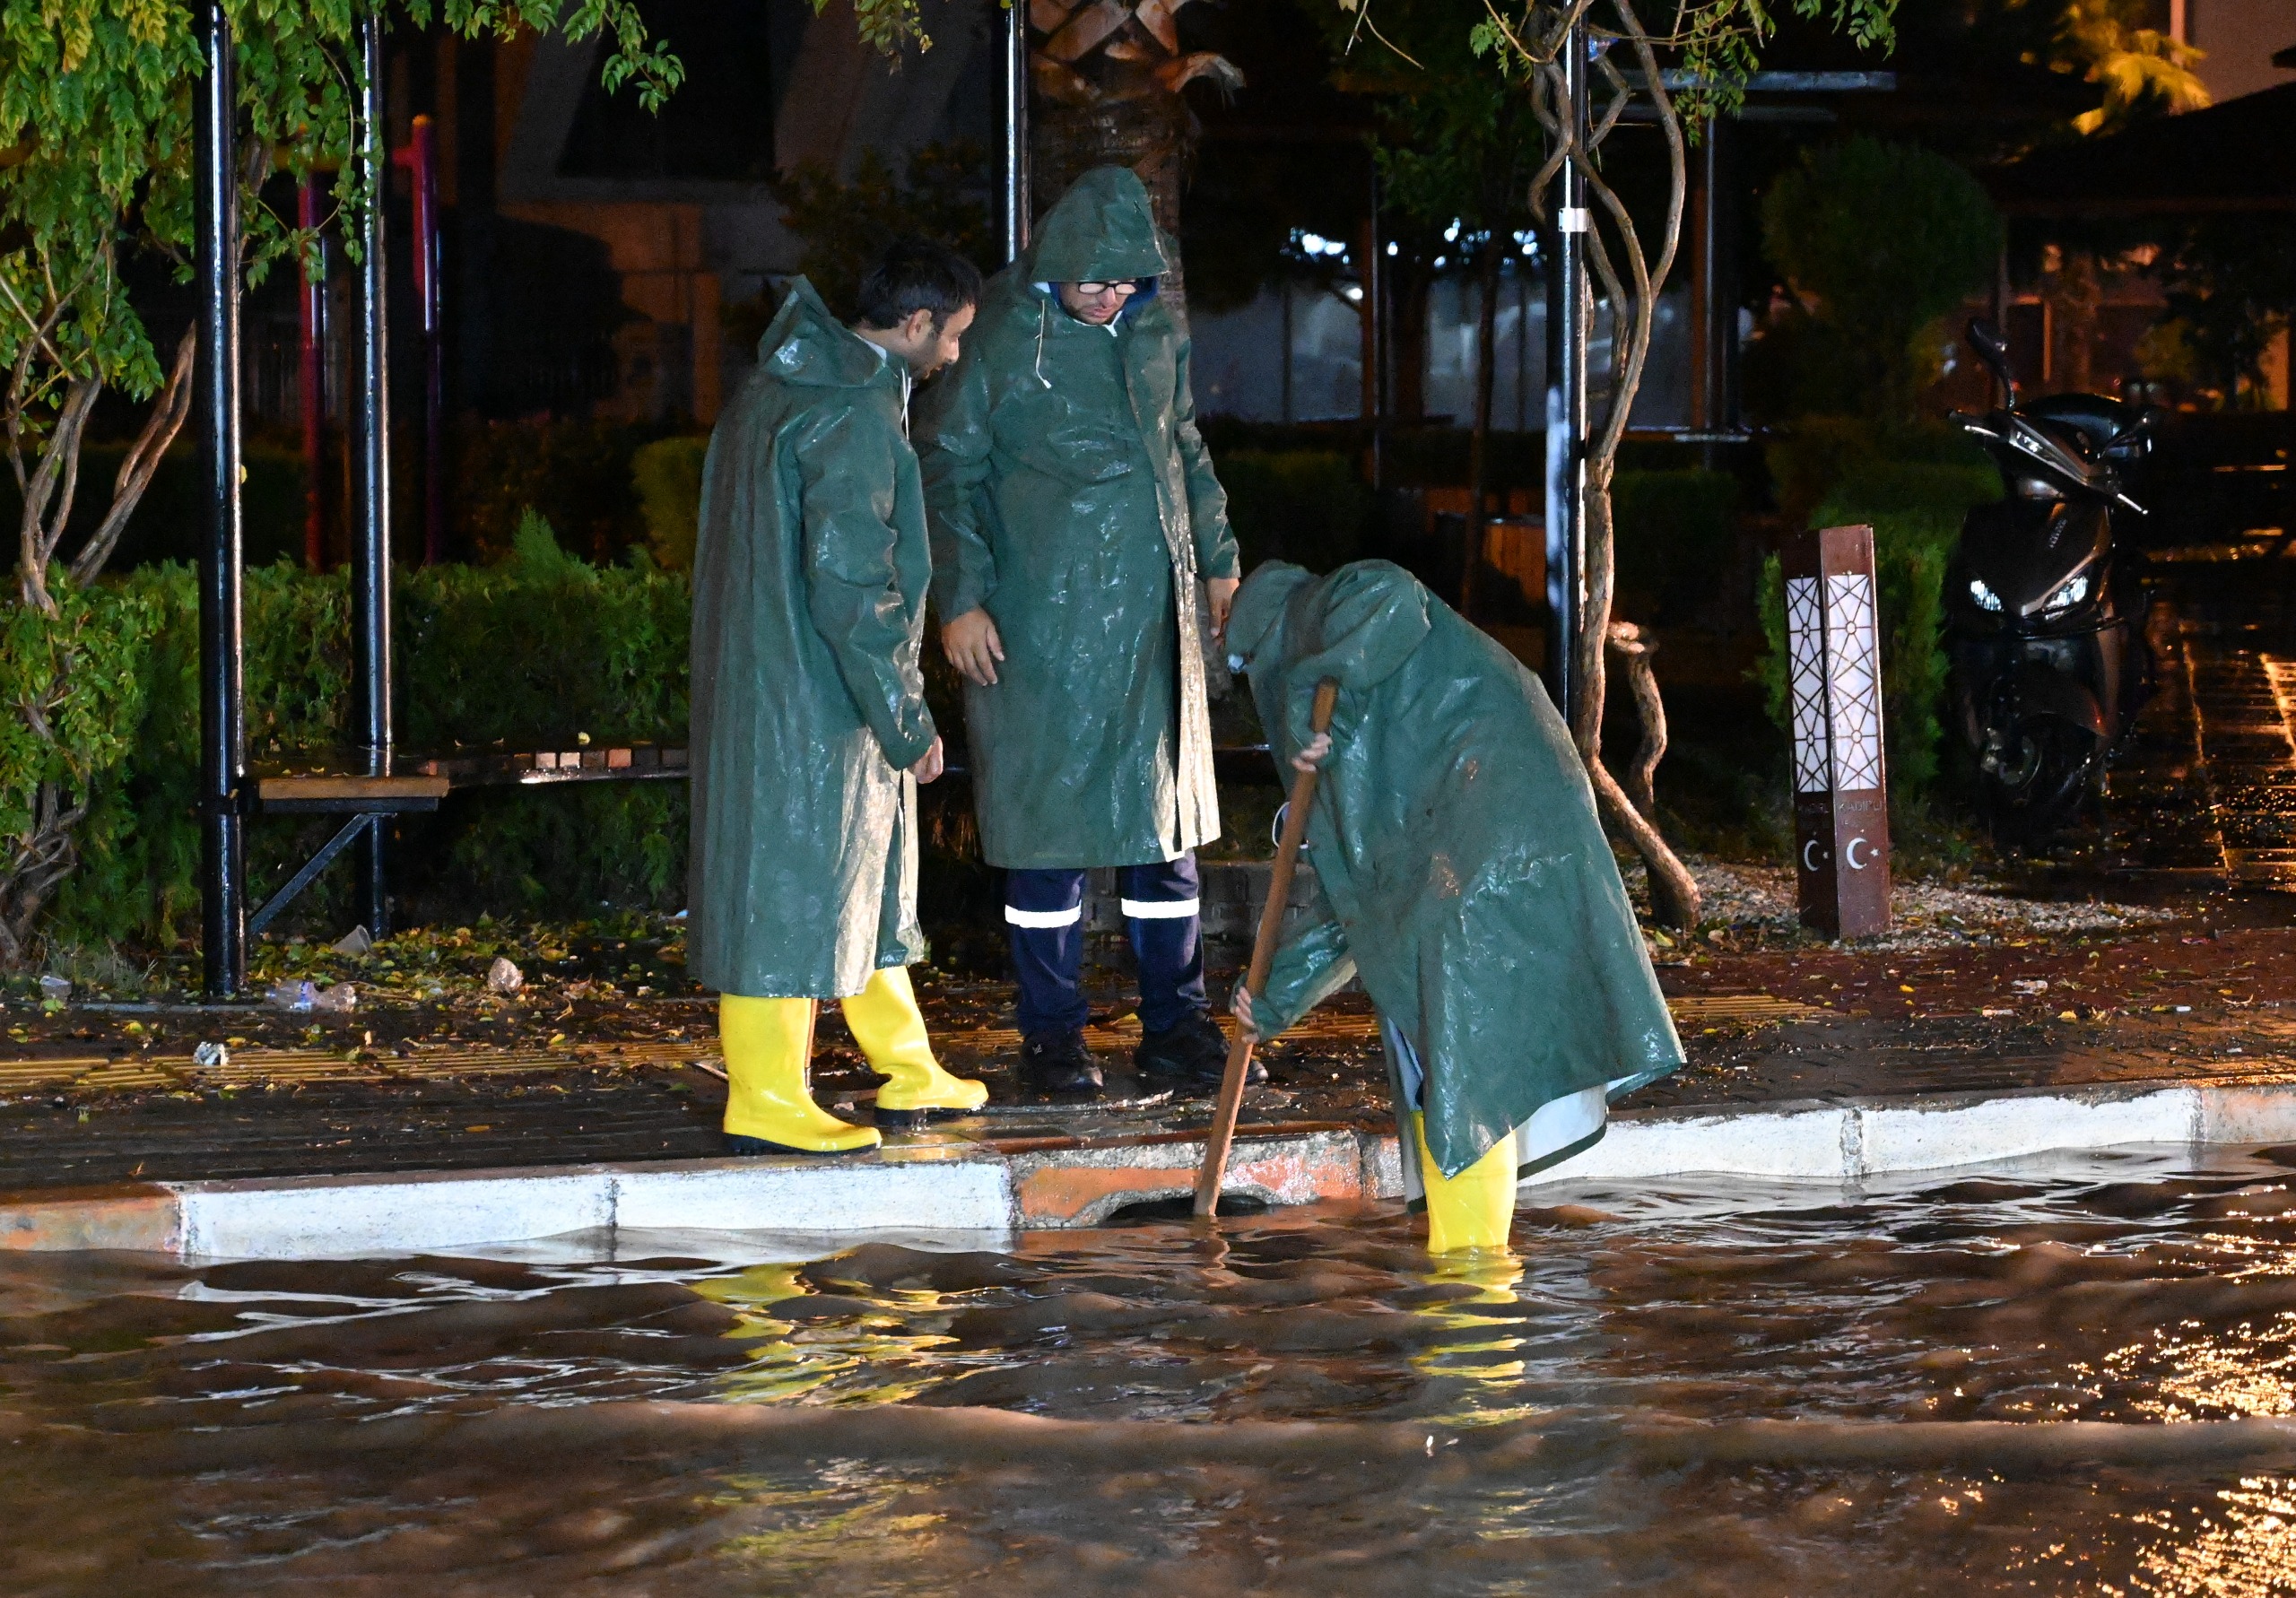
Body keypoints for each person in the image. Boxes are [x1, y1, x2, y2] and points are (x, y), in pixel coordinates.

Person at [1224, 560, 1685, 1252]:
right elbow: (1356, 900)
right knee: (1440, 1058)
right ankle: (1466, 1268)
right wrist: (1274, 998)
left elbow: (1393, 599)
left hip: (1492, 840)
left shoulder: (1346, 599)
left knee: (1460, 1064)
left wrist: (1324, 702)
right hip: (1469, 854)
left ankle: (1471, 1277)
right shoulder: (1345, 744)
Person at [920, 166, 1245, 1098]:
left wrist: (1218, 556)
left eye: (1125, 279)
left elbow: (1186, 446)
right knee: (1044, 844)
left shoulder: (1153, 334)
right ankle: (1052, 1036)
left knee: (1164, 834)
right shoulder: (998, 341)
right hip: (1040, 626)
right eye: (1093, 279)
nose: (1109, 294)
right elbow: (947, 467)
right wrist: (961, 598)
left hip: (1153, 622)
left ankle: (1175, 1027)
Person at [688, 239, 989, 1155]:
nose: (954, 355)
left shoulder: (778, 394)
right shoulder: (851, 415)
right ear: (914, 325)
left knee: (859, 878)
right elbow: (855, 586)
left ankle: (907, 1065)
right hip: (814, 698)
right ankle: (768, 1096)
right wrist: (904, 716)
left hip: (779, 684)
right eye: (952, 336)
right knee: (793, 890)